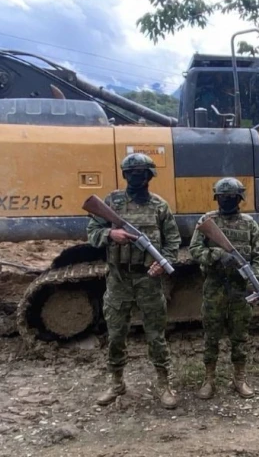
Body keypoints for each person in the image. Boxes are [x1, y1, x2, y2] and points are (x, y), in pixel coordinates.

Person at [86, 153, 182, 409]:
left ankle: (164, 384)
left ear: (151, 176)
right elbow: (92, 233)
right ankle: (116, 384)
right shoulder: (112, 202)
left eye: (143, 173)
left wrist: (163, 261)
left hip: (148, 280)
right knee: (116, 334)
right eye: (133, 173)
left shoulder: (160, 206)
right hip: (118, 278)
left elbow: (173, 241)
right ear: (125, 175)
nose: (138, 178)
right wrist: (110, 233)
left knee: (156, 335)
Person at [188, 177, 259, 400]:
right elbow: (194, 250)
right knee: (211, 336)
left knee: (240, 336)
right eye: (224, 197)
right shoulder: (207, 221)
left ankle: (239, 379)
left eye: (232, 197)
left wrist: (254, 276)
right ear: (217, 198)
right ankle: (209, 380)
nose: (228, 201)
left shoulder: (249, 224)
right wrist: (217, 255)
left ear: (239, 199)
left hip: (240, 290)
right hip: (214, 287)